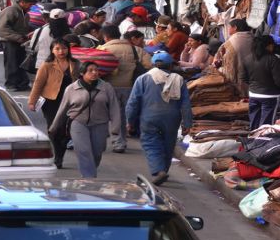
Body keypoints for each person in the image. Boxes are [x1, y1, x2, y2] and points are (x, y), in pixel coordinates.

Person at [126, 51, 192, 185]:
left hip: (149, 117)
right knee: (168, 144)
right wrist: (187, 123)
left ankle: (158, 170)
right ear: (170, 65)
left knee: (151, 143)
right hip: (172, 119)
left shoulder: (143, 78)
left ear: (153, 65)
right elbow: (185, 104)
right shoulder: (179, 80)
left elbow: (133, 102)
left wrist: (129, 121)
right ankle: (164, 170)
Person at [50, 61, 122, 177]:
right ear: (82, 73)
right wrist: (54, 126)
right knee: (83, 150)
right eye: (90, 71)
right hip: (78, 122)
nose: (94, 73)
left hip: (100, 123)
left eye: (96, 70)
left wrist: (115, 127)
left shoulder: (106, 87)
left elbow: (114, 107)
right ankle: (89, 178)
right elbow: (63, 108)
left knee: (97, 152)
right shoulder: (71, 89)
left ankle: (90, 171)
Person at [98, 24, 150, 154]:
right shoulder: (135, 49)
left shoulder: (102, 49)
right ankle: (127, 141)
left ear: (106, 37)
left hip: (108, 87)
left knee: (108, 115)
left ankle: (110, 141)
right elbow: (149, 65)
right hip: (131, 87)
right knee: (126, 115)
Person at [28, 39, 80, 168]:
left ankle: (59, 155)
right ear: (52, 50)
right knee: (54, 130)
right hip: (51, 102)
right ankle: (57, 156)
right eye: (57, 49)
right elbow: (38, 83)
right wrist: (32, 101)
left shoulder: (75, 64)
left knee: (66, 130)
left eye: (63, 48)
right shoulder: (47, 65)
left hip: (71, 101)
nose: (61, 51)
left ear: (68, 49)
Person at [241, 34, 280, 129]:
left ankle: (253, 139)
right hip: (270, 95)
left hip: (253, 94)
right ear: (268, 46)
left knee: (254, 121)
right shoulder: (273, 59)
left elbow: (243, 77)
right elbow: (279, 80)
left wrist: (254, 85)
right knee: (266, 124)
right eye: (272, 45)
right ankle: (262, 141)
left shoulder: (247, 59)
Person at [0, 0, 34, 91]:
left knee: (21, 63)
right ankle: (11, 84)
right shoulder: (10, 11)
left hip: (20, 41)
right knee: (11, 63)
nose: (31, 7)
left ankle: (22, 83)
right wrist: (18, 37)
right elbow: (3, 28)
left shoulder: (25, 13)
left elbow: (24, 27)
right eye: (30, 4)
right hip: (9, 41)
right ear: (22, 3)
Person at [215, 18, 255, 97]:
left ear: (235, 28)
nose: (228, 29)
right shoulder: (253, 38)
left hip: (238, 79)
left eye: (229, 27)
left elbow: (220, 58)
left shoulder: (231, 42)